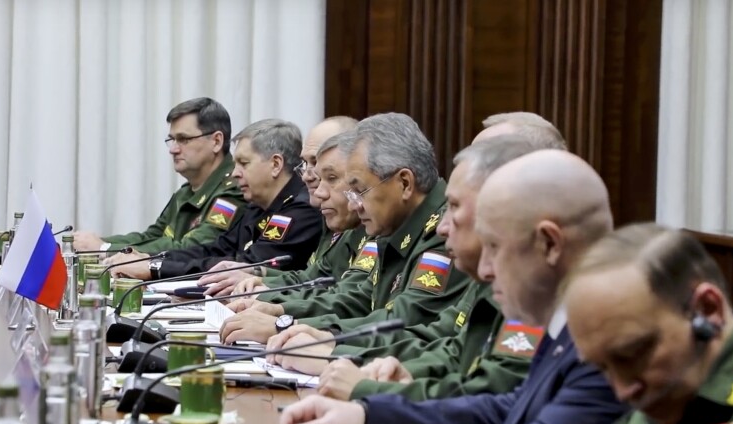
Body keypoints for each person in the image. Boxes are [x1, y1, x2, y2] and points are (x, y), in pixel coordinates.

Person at [254, 149, 627, 424]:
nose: (486, 267)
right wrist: (369, 414)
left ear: (548, 243)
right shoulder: (569, 317)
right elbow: (505, 412)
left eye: (495, 246)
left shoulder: (607, 335)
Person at [261, 113, 568, 397]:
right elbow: (448, 345)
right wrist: (355, 357)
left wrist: (355, 372)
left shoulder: (537, 280)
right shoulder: (488, 262)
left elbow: (489, 395)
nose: (447, 226)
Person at [420, 224, 733, 424]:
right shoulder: (658, 396)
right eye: (603, 369)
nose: (622, 390)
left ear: (708, 310)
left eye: (631, 355)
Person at [219, 112, 470, 344]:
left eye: (360, 190)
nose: (353, 204)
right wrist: (280, 310)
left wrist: (290, 328)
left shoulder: (444, 233)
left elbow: (403, 321)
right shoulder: (394, 225)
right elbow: (359, 300)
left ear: (404, 183)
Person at [109, 118, 323, 280]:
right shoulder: (259, 204)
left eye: (244, 163)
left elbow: (246, 265)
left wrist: (155, 269)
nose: (235, 172)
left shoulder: (301, 209)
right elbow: (216, 249)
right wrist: (152, 260)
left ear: (275, 164)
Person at [197, 116, 359, 296]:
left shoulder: (311, 210)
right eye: (306, 163)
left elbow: (347, 300)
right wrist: (258, 274)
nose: (306, 175)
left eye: (331, 177)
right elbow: (310, 279)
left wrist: (272, 303)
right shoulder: (333, 220)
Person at [73, 97, 245, 253]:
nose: (173, 149)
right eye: (172, 140)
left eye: (184, 139)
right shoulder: (186, 191)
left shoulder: (235, 189)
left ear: (216, 142)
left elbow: (194, 248)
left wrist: (105, 248)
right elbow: (152, 237)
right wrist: (97, 243)